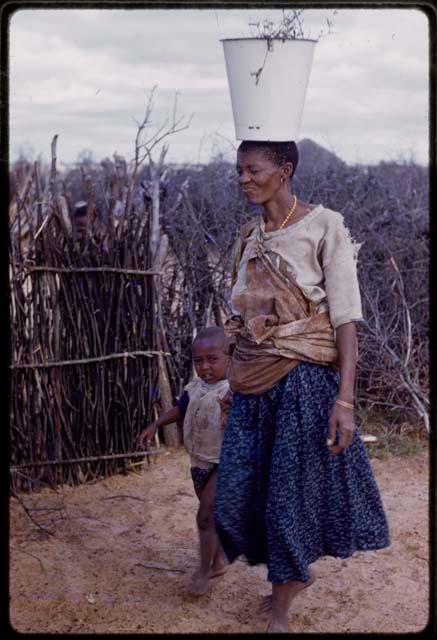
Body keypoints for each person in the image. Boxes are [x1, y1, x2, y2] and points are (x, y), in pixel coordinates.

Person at [214, 140, 390, 633]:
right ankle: (284, 574)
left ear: (285, 169)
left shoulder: (323, 226)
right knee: (236, 495)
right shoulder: (250, 235)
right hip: (253, 384)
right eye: (239, 170)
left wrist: (345, 400)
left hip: (303, 383)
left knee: (287, 499)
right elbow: (240, 314)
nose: (243, 179)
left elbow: (345, 320)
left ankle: (281, 606)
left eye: (254, 169)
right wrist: (232, 374)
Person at [138, 326, 232, 595]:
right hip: (199, 462)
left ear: (229, 357)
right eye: (198, 361)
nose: (205, 367)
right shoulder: (195, 388)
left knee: (205, 515)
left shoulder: (233, 391)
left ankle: (203, 573)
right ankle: (217, 562)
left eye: (212, 359)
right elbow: (180, 410)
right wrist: (156, 423)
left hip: (223, 462)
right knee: (210, 515)